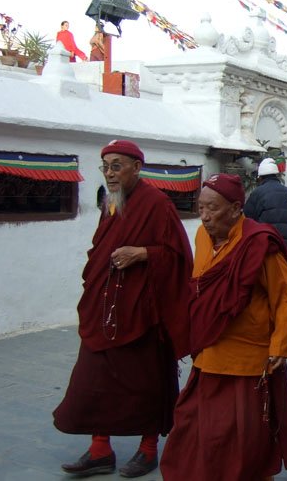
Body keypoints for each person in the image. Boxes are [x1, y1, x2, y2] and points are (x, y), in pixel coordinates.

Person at [54, 140, 192, 478]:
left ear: (136, 167)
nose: (110, 173)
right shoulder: (111, 202)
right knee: (93, 378)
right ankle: (100, 449)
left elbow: (178, 256)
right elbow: (102, 248)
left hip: (142, 311)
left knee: (144, 381)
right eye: (105, 166)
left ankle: (147, 450)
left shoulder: (156, 203)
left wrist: (143, 253)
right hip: (106, 307)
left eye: (117, 165)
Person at [160, 174, 287, 480]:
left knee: (243, 438)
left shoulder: (258, 242)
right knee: (194, 428)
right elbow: (202, 288)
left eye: (212, 208)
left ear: (237, 208)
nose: (205, 215)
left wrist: (280, 345)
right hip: (209, 350)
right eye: (200, 207)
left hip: (248, 361)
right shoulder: (201, 235)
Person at [243, 157, 287, 254]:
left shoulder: (258, 193)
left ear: (260, 178)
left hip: (266, 248)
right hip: (286, 251)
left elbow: (247, 219)